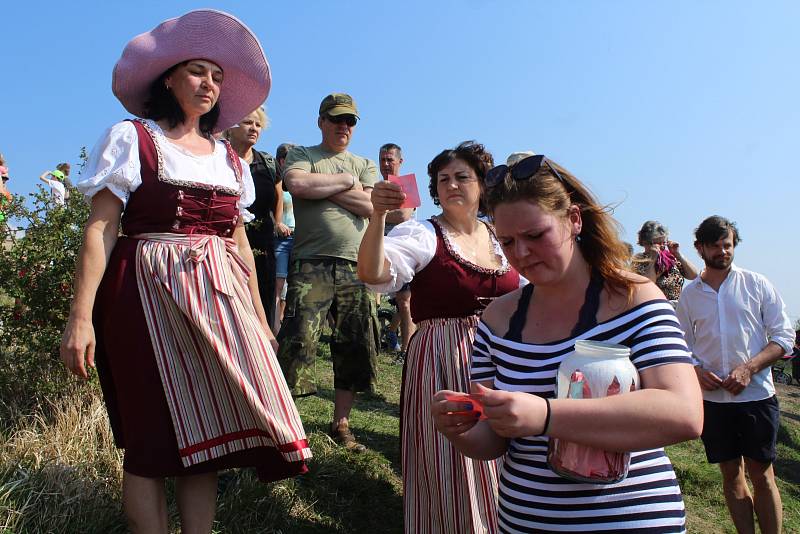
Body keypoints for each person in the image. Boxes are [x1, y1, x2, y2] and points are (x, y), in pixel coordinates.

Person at [59, 10, 311, 533]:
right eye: (198, 71)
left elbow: (237, 241)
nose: (209, 84)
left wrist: (261, 320)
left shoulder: (230, 160)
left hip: (219, 299)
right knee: (150, 436)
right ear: (168, 77)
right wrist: (80, 317)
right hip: (144, 295)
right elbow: (100, 229)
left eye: (217, 77)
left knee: (209, 433)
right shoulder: (132, 138)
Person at [431, 154, 703, 533]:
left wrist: (546, 416)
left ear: (574, 219)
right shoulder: (497, 319)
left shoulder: (634, 299)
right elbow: (492, 443)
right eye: (506, 241)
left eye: (535, 235)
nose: (521, 254)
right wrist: (460, 428)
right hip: (526, 522)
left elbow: (683, 414)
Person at [359, 141, 521, 533]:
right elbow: (373, 273)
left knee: (511, 450)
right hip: (444, 355)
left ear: (482, 183)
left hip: (503, 356)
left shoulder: (504, 237)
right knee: (451, 458)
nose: (451, 184)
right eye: (443, 179)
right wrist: (379, 216)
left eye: (462, 176)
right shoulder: (423, 233)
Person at [676, 215, 793, 534]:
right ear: (699, 249)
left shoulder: (756, 284)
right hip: (713, 400)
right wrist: (696, 370)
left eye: (727, 245)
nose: (722, 251)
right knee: (731, 474)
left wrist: (748, 368)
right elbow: (681, 343)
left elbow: (784, 336)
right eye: (714, 246)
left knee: (763, 474)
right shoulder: (690, 295)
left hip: (756, 396)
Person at [277, 92, 377, 453]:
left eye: (349, 120)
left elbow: (369, 206)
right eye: (336, 119)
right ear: (321, 121)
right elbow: (298, 185)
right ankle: (283, 423)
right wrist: (347, 184)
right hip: (310, 261)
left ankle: (342, 423)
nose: (343, 126)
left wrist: (329, 188)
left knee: (354, 342)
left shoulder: (365, 164)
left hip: (356, 263)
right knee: (299, 339)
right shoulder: (303, 155)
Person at [224, 106, 280, 327]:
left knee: (263, 301)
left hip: (263, 246)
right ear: (231, 126)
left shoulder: (267, 163)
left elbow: (278, 198)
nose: (254, 129)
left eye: (258, 125)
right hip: (228, 242)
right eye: (248, 123)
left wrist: (276, 225)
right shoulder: (218, 158)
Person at [377, 142, 415, 354]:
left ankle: (407, 351)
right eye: (382, 159)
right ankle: (385, 335)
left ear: (400, 161)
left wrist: (374, 213)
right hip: (377, 248)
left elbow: (403, 215)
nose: (385, 163)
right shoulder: (375, 186)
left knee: (405, 301)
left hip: (402, 250)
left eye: (390, 159)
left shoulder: (407, 184)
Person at [632, 220, 698, 303]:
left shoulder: (671, 258)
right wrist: (653, 259)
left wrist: (678, 255)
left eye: (664, 242)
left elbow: (693, 275)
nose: (662, 246)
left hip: (677, 307)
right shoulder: (639, 260)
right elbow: (647, 284)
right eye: (658, 243)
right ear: (646, 243)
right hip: (656, 306)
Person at [273, 142, 296, 332]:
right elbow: (269, 207)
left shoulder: (298, 183)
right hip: (281, 237)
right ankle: (274, 326)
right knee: (279, 284)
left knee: (295, 285)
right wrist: (277, 223)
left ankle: (286, 326)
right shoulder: (277, 182)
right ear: (282, 160)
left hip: (299, 237)